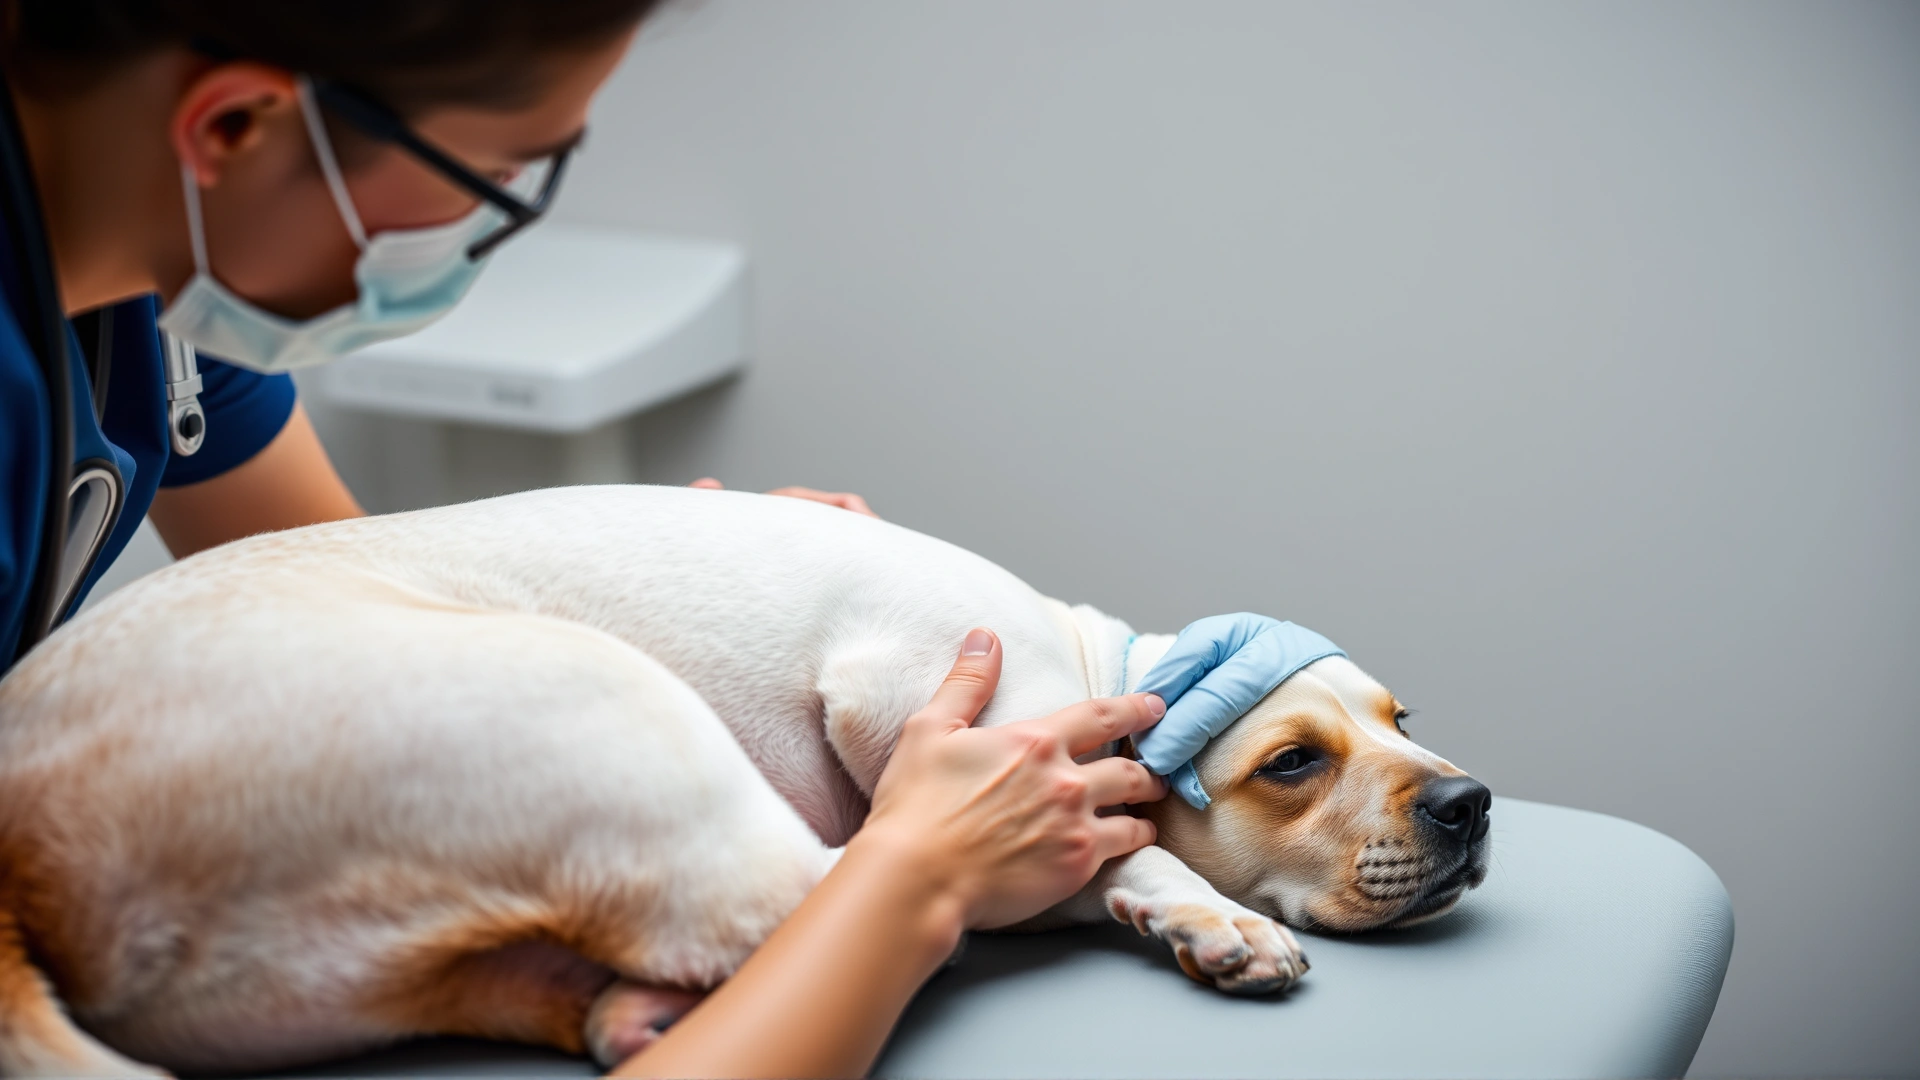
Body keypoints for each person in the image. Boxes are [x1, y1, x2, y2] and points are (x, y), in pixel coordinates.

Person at [0, 2, 1303, 1075]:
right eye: (498, 181)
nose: (488, 235)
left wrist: (674, 569)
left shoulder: (152, 327)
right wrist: (915, 877)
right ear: (232, 124)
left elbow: (358, 629)